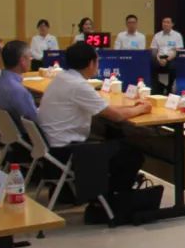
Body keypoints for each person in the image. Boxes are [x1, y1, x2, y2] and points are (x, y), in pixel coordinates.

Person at [37, 42, 153, 195]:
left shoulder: (62, 78)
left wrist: (132, 107)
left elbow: (105, 109)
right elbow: (116, 116)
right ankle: (109, 199)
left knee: (113, 139)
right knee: (131, 155)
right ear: (91, 63)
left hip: (51, 148)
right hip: (67, 151)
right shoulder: (79, 85)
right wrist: (141, 109)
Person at [0, 40, 37, 165]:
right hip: (28, 140)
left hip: (11, 137)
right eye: (30, 57)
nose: (31, 60)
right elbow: (35, 120)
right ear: (22, 60)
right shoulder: (17, 90)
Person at [150, 17, 183, 94]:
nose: (165, 24)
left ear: (172, 24)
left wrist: (167, 60)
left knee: (173, 67)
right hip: (159, 57)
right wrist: (159, 59)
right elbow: (154, 50)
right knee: (152, 65)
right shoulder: (157, 35)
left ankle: (169, 89)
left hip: (171, 58)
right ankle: (157, 90)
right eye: (164, 22)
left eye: (168, 22)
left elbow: (177, 51)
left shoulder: (177, 35)